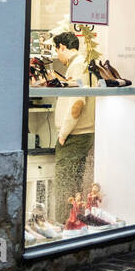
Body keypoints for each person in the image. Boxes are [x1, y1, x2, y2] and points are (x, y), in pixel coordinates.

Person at [51, 31, 95, 212]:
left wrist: (63, 134)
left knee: (64, 184)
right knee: (74, 183)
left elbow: (78, 103)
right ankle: (73, 221)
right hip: (80, 134)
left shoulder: (77, 66)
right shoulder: (81, 63)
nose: (56, 55)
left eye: (56, 50)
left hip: (74, 135)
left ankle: (64, 225)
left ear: (62, 47)